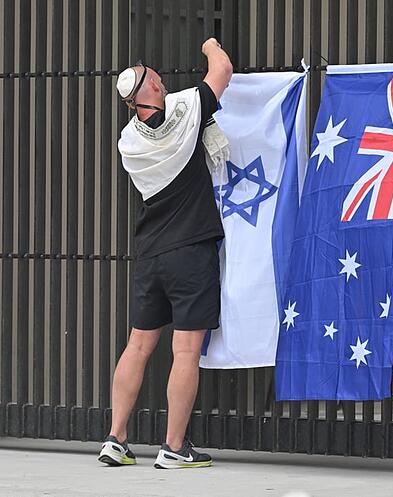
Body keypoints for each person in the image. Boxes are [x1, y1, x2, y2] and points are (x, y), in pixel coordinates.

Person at [97, 38, 232, 469]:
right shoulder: (188, 108)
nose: (159, 77)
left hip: (151, 253)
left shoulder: (127, 142)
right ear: (154, 86)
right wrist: (209, 44)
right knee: (186, 351)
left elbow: (159, 124)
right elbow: (222, 69)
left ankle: (115, 438)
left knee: (138, 345)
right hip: (190, 249)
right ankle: (174, 447)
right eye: (154, 76)